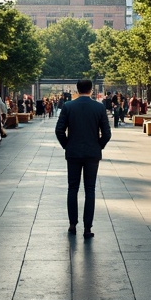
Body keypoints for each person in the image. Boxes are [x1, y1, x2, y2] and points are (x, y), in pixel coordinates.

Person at [55, 78, 111, 239]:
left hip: (73, 153)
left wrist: (67, 145)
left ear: (77, 90)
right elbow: (107, 133)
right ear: (91, 90)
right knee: (90, 189)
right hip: (92, 154)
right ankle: (87, 227)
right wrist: (98, 146)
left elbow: (59, 130)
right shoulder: (99, 107)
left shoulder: (68, 106)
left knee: (72, 188)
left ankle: (73, 224)